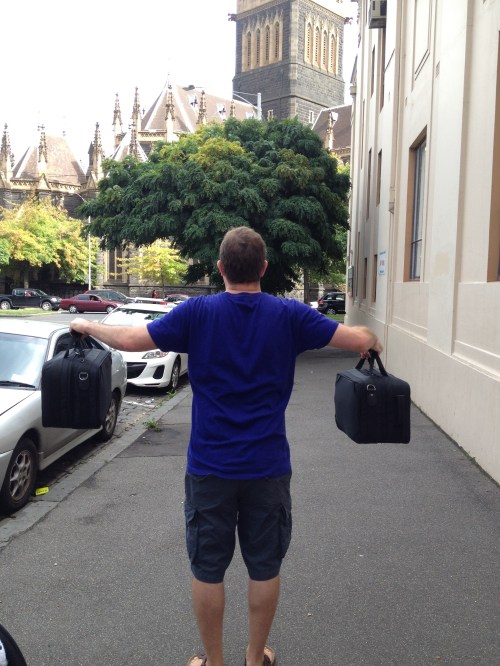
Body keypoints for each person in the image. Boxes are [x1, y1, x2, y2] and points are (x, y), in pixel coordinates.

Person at [70, 226, 383, 666]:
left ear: (220, 269)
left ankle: (215, 662)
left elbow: (130, 339)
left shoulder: (197, 312)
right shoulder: (288, 314)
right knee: (264, 567)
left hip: (209, 467)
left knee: (208, 569)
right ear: (264, 268)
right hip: (267, 467)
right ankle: (254, 659)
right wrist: (371, 339)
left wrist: (85, 323)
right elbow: (359, 339)